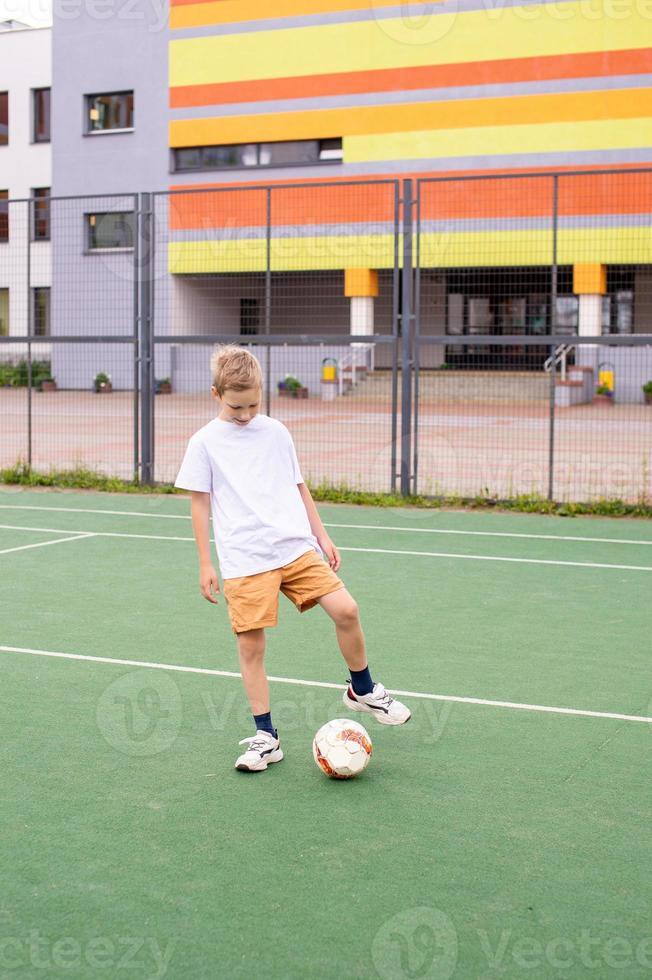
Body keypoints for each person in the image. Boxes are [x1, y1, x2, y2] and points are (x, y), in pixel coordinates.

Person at [175, 345, 410, 773]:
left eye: (253, 404)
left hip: (294, 547)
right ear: (215, 394)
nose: (245, 414)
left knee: (347, 609)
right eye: (235, 406)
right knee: (252, 647)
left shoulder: (276, 431)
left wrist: (321, 534)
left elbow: (298, 486)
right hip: (246, 559)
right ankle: (267, 737)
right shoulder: (204, 442)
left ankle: (362, 689)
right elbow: (199, 504)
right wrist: (204, 563)